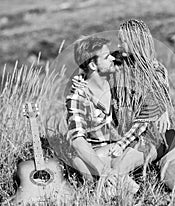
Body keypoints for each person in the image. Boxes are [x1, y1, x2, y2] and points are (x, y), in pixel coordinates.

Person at [72, 19, 175, 190]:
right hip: (131, 135)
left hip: (152, 135)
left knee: (169, 177)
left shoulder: (155, 71)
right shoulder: (119, 60)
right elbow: (94, 66)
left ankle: (144, 195)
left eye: (122, 40)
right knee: (85, 162)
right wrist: (81, 79)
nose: (119, 44)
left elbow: (152, 110)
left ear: (134, 41)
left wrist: (162, 109)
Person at [52, 35, 139, 195]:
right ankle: (119, 186)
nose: (112, 57)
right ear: (92, 64)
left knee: (156, 141)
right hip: (101, 152)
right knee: (82, 161)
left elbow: (148, 65)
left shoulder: (117, 76)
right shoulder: (78, 97)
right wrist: (103, 169)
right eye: (106, 57)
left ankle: (115, 184)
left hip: (125, 144)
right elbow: (77, 139)